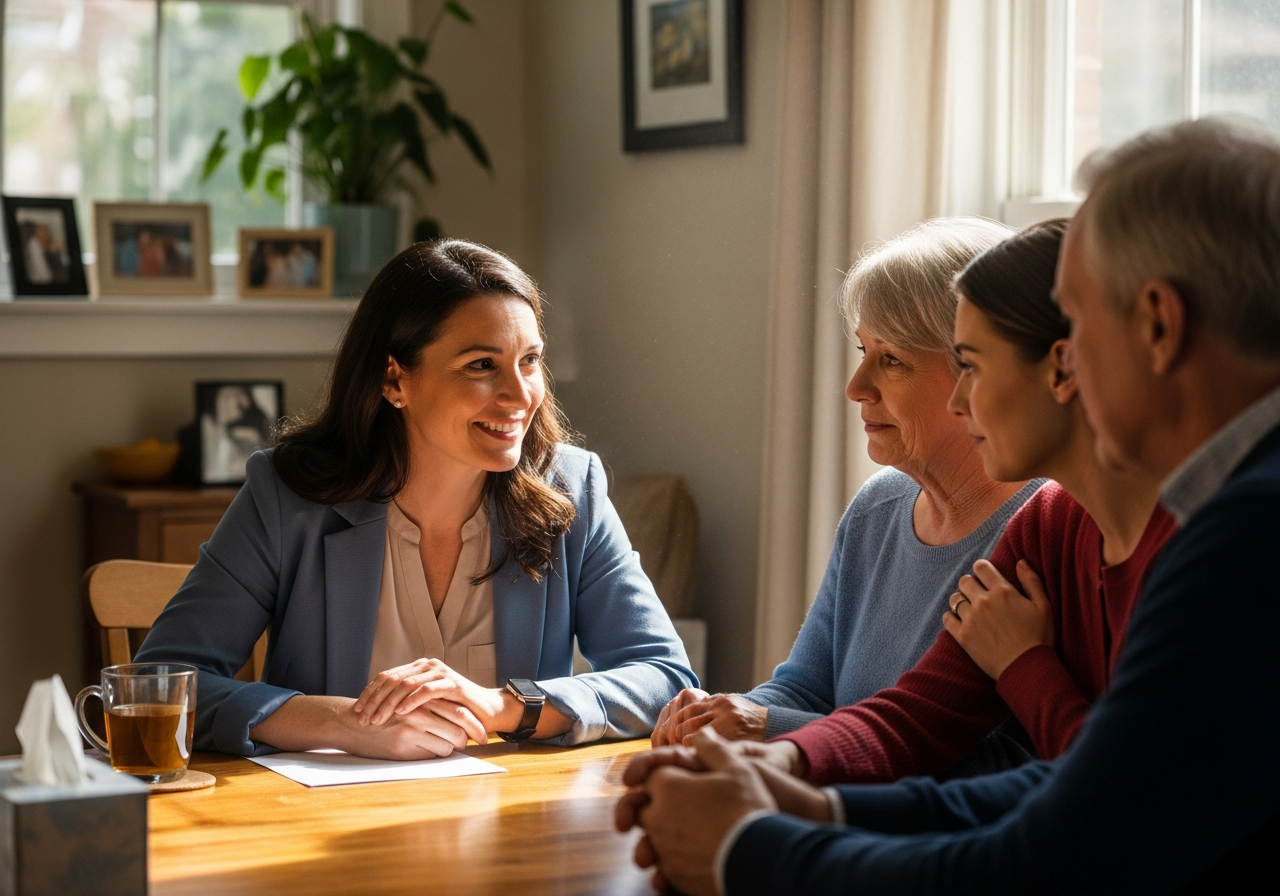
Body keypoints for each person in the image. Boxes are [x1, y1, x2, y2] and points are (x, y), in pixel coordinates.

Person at [617, 116, 1280, 894]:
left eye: (1078, 318)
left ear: (1159, 326)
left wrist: (746, 851)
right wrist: (813, 802)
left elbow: (1059, 856)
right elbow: (1073, 790)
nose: (1067, 360)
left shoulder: (1247, 532)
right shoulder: (1206, 510)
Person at [137, 238, 696, 759]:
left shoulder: (573, 490)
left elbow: (664, 677)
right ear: (394, 380)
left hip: (512, 823)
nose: (520, 395)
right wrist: (341, 723)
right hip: (319, 823)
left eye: (529, 360)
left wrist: (501, 705)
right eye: (481, 365)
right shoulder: (288, 496)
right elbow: (158, 682)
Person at [741, 219, 1177, 785]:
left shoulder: (1189, 536)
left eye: (971, 365)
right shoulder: (1045, 524)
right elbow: (911, 724)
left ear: (1063, 369)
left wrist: (1024, 665)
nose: (961, 398)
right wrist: (772, 759)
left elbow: (1107, 793)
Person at [652, 217, 1043, 759]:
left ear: (977, 371)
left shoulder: (1043, 531)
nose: (856, 388)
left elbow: (1003, 760)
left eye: (892, 361)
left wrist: (765, 727)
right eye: (864, 352)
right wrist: (720, 716)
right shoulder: (878, 506)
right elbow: (803, 688)